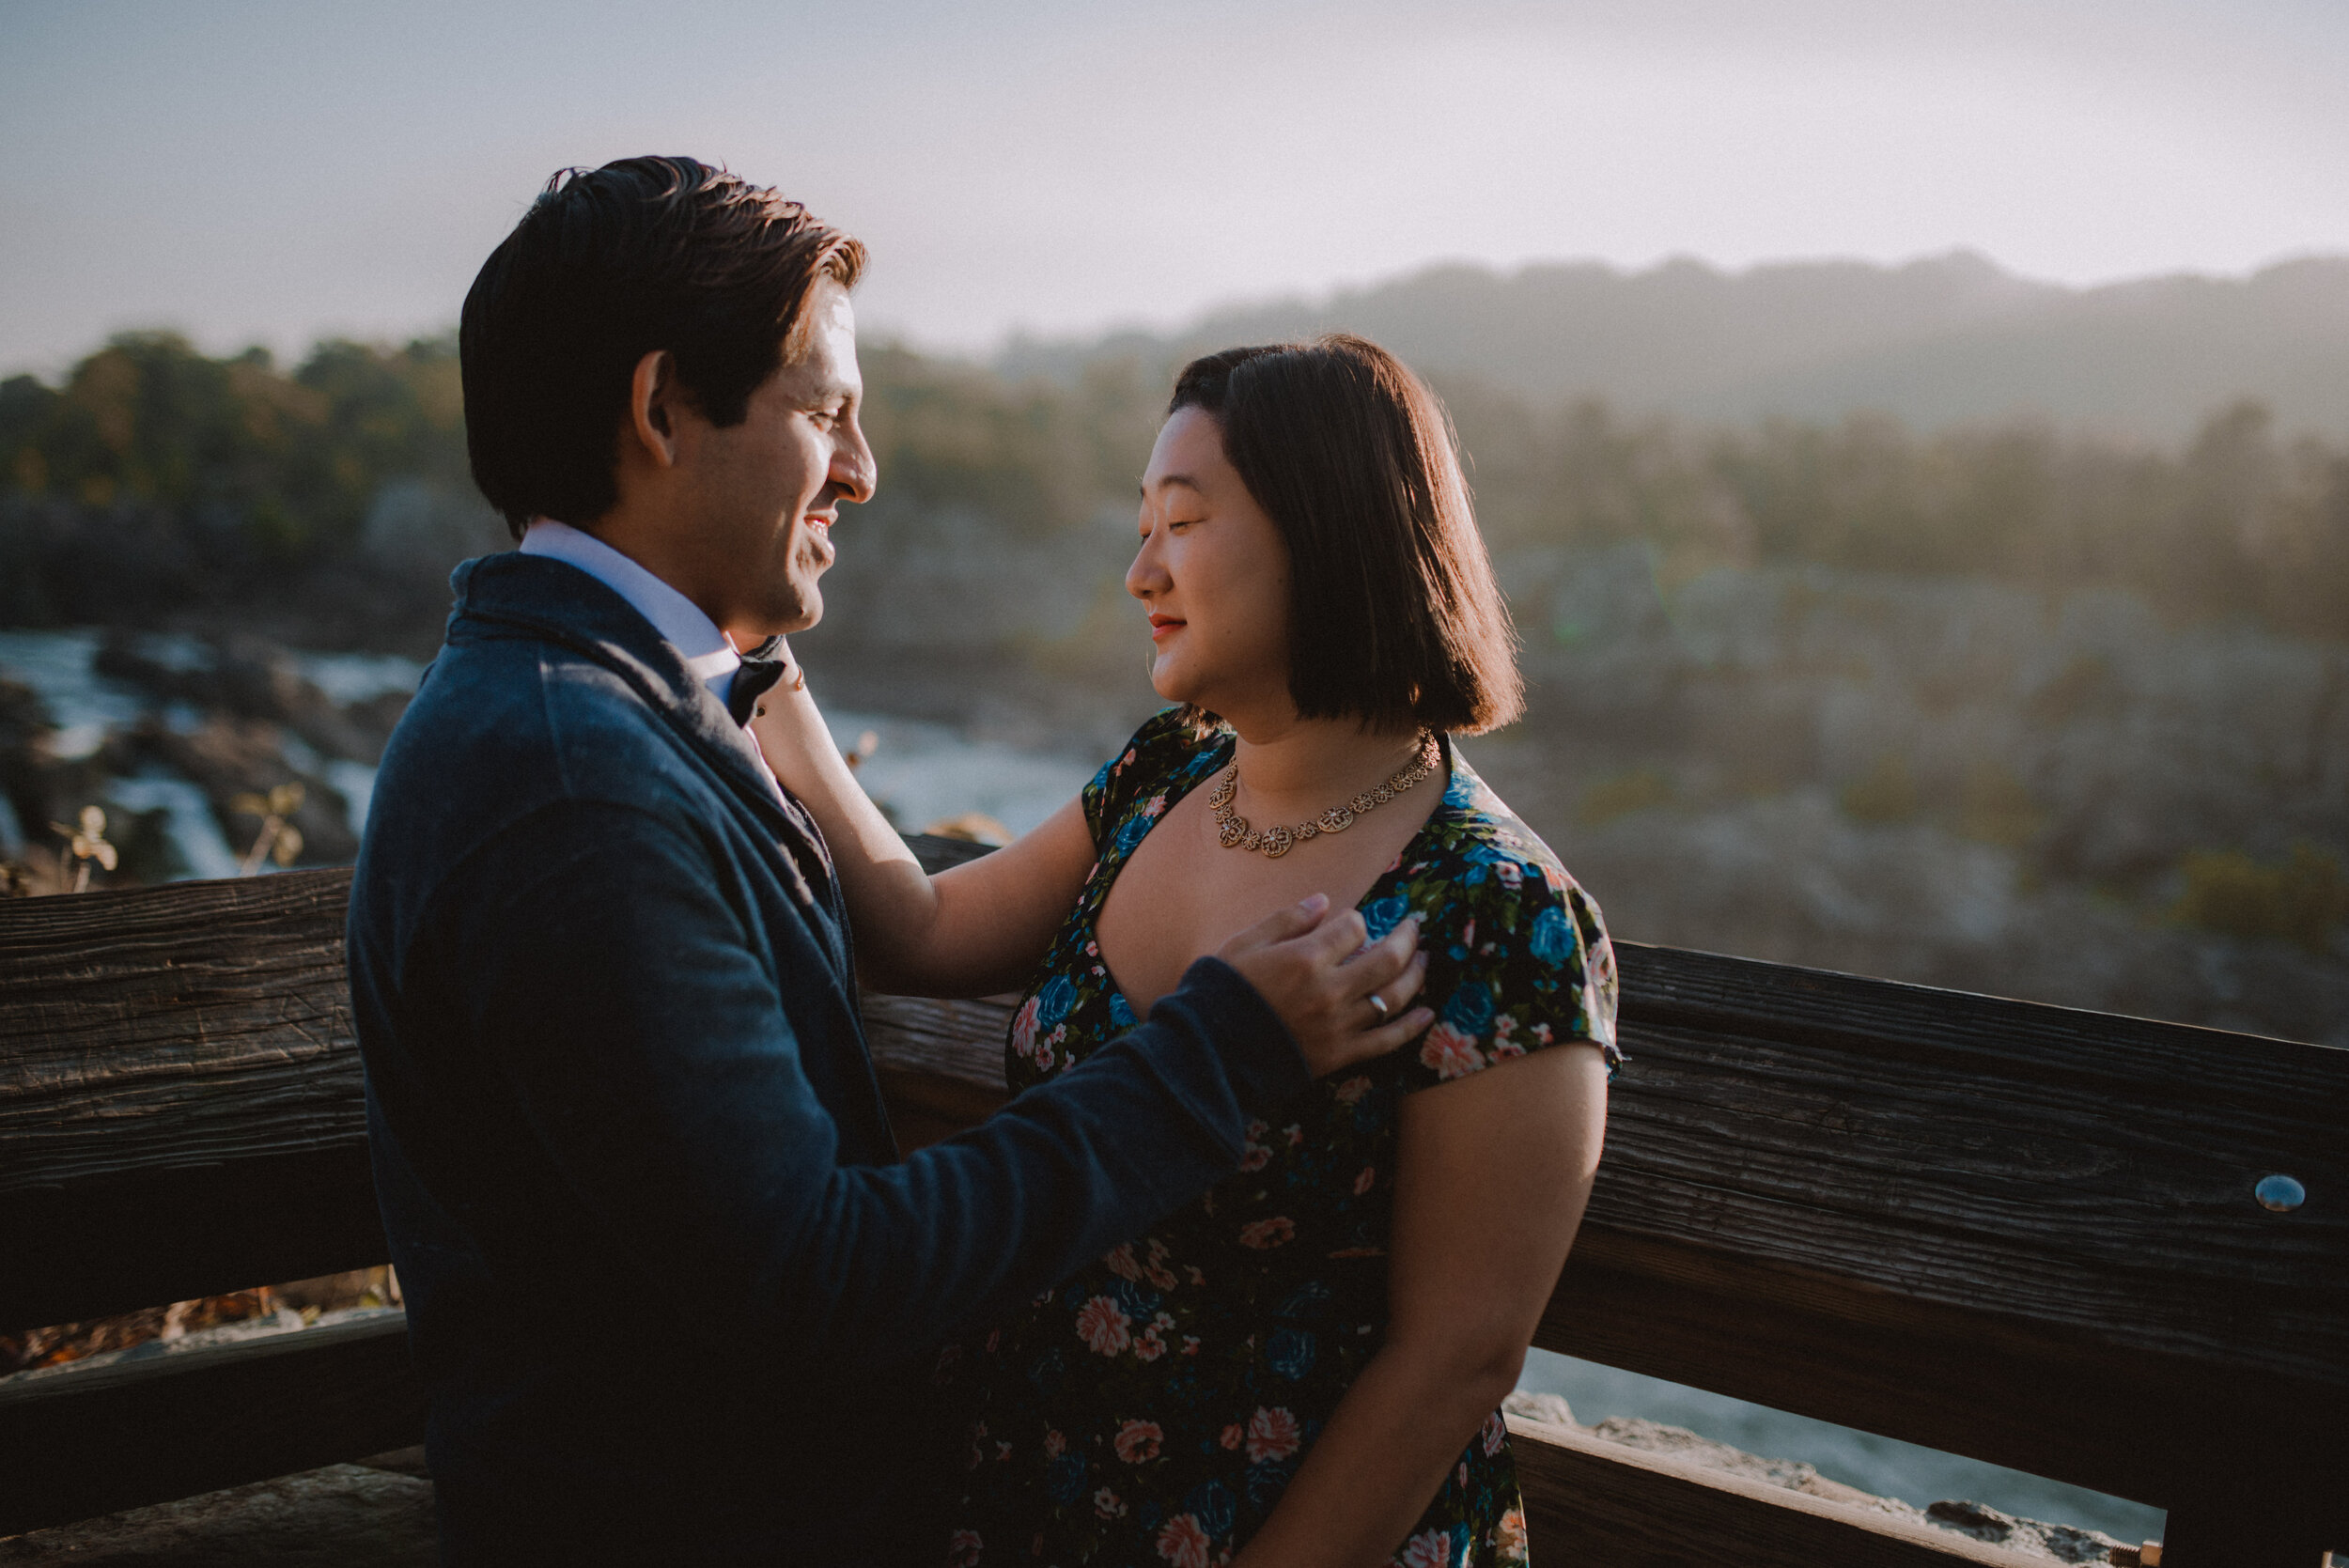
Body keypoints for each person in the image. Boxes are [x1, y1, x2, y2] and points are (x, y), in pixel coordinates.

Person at [347, 158, 1432, 1566]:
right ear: (662, 405)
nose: (861, 469)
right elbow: (824, 1279)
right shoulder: (575, 787)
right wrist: (1216, 1052)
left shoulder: (595, 714)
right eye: (826, 412)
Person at [750, 335, 1619, 1566]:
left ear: (1327, 529)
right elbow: (922, 929)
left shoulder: (1501, 915)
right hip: (1033, 1499)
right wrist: (759, 672)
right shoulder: (1166, 775)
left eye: (1181, 521)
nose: (1138, 569)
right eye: (1140, 523)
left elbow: (1457, 1357)